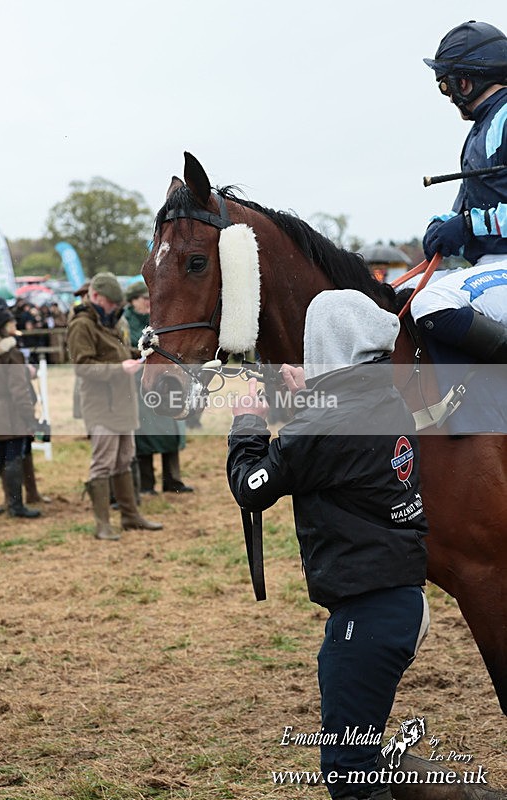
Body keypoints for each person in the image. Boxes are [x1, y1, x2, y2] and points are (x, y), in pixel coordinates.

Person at [227, 290, 429, 800]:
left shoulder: (325, 424)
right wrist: (312, 391)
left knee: (349, 770)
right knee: (366, 756)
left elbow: (251, 487)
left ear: (327, 345)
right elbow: (331, 440)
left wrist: (247, 421)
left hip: (368, 611)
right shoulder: (383, 398)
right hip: (399, 596)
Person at [413, 20, 507, 362]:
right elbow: (467, 206)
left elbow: (471, 219)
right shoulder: (481, 129)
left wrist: (468, 226)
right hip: (491, 264)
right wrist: (442, 225)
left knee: (431, 303)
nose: (449, 95)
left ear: (465, 82)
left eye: (447, 84)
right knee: (404, 295)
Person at [67, 271, 163, 540]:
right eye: (111, 302)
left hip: (121, 402)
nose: (115, 307)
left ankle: (131, 516)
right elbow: (83, 367)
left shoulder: (111, 321)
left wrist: (142, 353)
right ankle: (103, 524)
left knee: (124, 459)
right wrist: (119, 369)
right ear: (95, 296)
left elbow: (120, 353)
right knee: (103, 463)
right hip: (100, 406)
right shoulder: (82, 325)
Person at [123, 281, 193, 495]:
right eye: (144, 299)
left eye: (149, 298)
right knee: (144, 433)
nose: (148, 303)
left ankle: (172, 479)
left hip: (166, 381)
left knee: (171, 429)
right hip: (140, 382)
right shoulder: (126, 322)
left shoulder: (160, 318)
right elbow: (127, 346)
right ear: (133, 300)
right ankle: (147, 483)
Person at [0, 297, 41, 518]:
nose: (14, 324)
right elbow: (19, 390)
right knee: (13, 457)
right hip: (12, 412)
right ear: (3, 327)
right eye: (10, 322)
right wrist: (30, 418)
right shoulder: (10, 353)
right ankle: (16, 507)